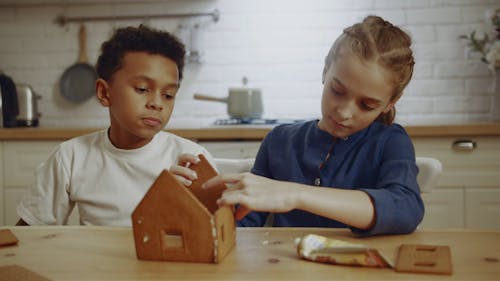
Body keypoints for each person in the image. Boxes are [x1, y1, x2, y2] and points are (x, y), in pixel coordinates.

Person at [202, 15, 424, 236]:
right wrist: (193, 200)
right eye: (337, 91)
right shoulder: (279, 141)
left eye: (367, 105)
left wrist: (295, 194)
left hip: (356, 269)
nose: (344, 112)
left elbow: (405, 208)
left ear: (389, 104)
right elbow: (244, 223)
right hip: (283, 269)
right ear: (325, 70)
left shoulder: (390, 142)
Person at [16, 25, 213, 226]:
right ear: (104, 93)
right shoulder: (70, 157)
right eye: (142, 89)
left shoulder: (191, 159)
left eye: (168, 95)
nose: (157, 103)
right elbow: (29, 231)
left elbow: (218, 234)